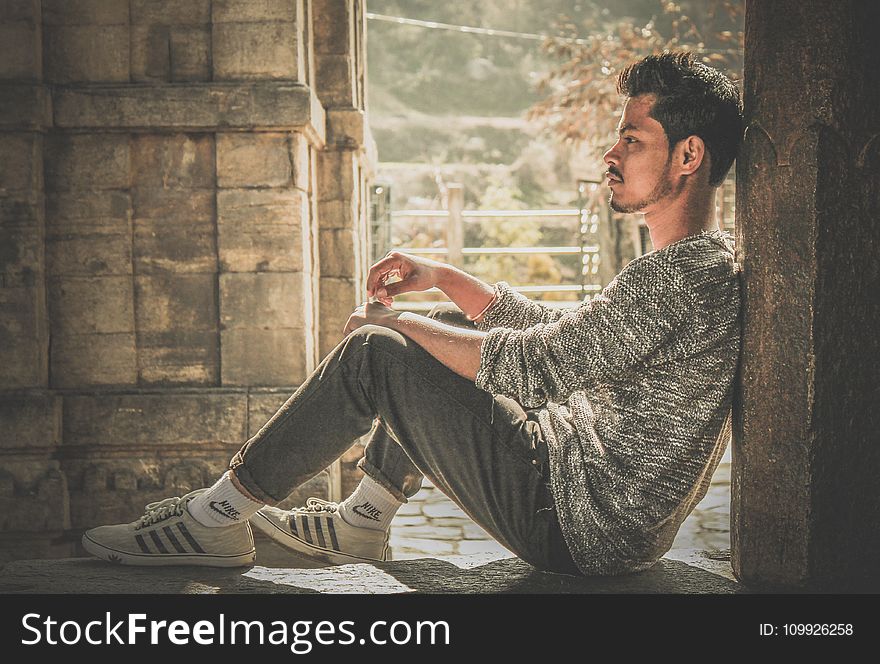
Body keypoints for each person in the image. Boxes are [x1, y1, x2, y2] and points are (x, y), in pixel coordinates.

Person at [82, 52, 743, 577]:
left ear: (688, 155)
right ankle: (362, 525)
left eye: (632, 138)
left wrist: (393, 325)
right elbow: (567, 340)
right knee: (446, 335)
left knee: (379, 354)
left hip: (573, 521)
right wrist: (449, 283)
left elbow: (538, 368)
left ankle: (214, 519)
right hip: (587, 500)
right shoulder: (691, 267)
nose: (610, 155)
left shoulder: (677, 279)